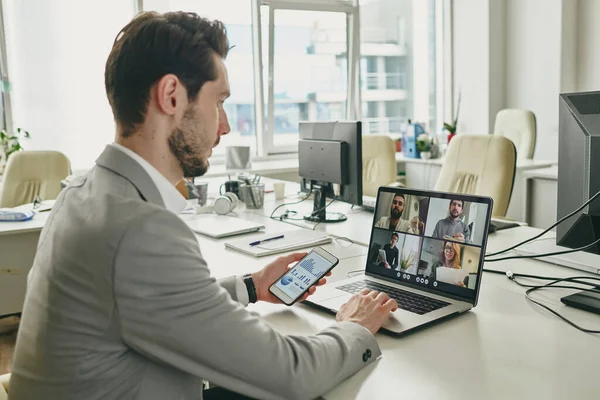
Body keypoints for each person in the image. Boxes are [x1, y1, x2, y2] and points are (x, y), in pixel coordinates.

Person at [9, 11, 399, 400]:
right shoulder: (140, 230)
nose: (225, 126)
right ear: (172, 96)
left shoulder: (81, 194)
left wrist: (250, 286)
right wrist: (354, 326)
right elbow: (291, 374)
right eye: (220, 102)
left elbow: (145, 301)